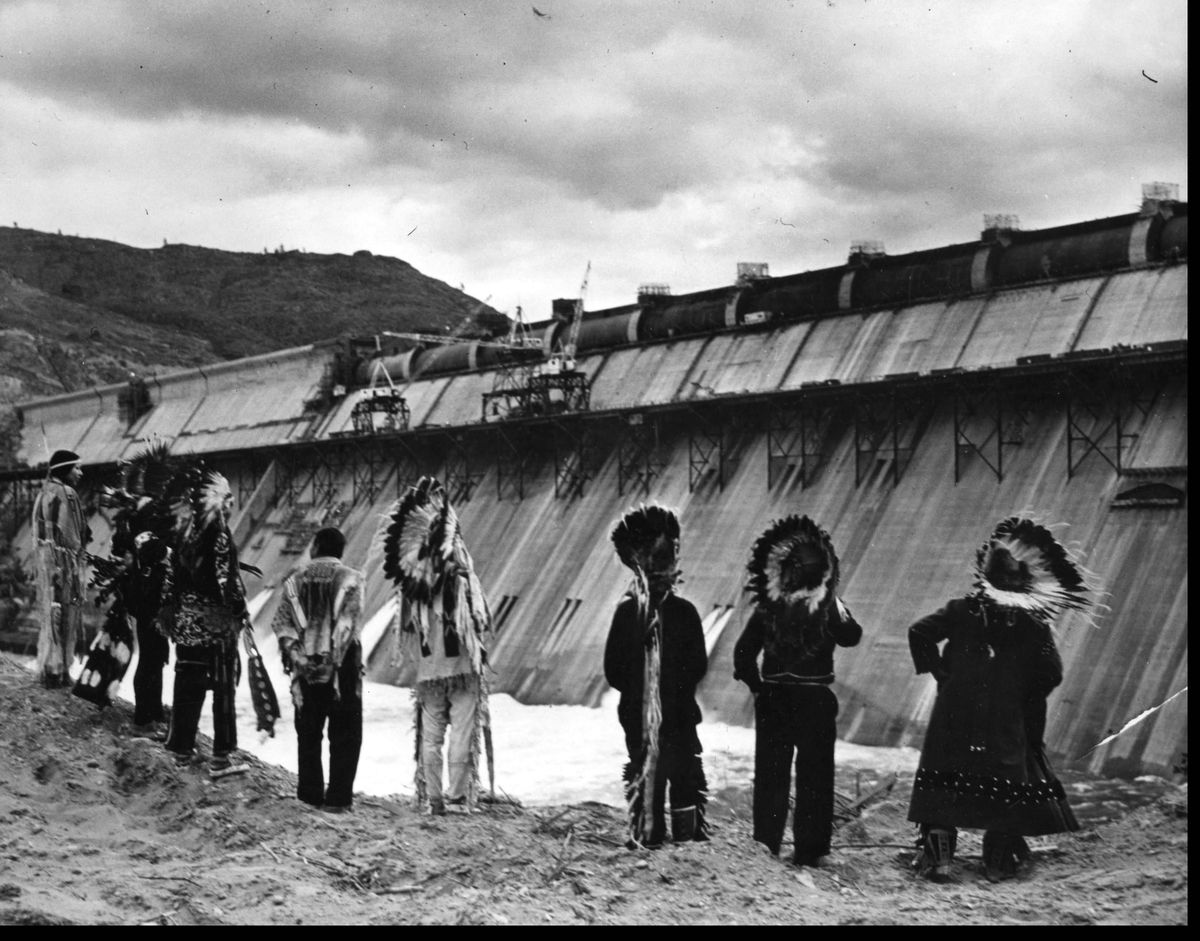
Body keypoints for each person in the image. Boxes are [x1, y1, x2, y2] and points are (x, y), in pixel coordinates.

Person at [907, 516, 1094, 882]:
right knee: (1006, 778)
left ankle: (939, 859)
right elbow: (1051, 672)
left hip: (955, 710)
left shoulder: (962, 609)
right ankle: (999, 860)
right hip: (1005, 714)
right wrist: (1025, 695)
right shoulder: (1033, 622)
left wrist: (943, 676)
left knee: (944, 774)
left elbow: (919, 633)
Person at [733, 515, 862, 868]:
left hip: (775, 698)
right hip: (816, 699)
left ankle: (767, 843)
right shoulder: (828, 607)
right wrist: (835, 600)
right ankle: (810, 849)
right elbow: (853, 636)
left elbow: (742, 655)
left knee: (771, 775)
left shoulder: (768, 608)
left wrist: (759, 689)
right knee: (816, 776)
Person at [377, 477, 493, 815]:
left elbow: (409, 630)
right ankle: (458, 799)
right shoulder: (462, 580)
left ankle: (431, 799)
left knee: (431, 737)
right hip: (462, 670)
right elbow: (480, 621)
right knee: (462, 732)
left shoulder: (411, 588)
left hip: (429, 672)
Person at [605, 504, 709, 848]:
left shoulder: (626, 612)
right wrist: (675, 690)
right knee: (685, 777)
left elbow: (613, 671)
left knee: (646, 772)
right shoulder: (686, 612)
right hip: (679, 715)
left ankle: (647, 837)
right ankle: (687, 838)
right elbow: (699, 667)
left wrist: (641, 691)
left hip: (639, 717)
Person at [161, 467, 250, 779]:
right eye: (226, 497)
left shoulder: (183, 532)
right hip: (215, 627)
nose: (232, 502)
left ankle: (180, 749)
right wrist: (240, 611)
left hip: (186, 624)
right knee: (223, 689)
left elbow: (170, 579)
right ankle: (222, 758)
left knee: (186, 686)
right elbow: (227, 581)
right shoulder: (220, 533)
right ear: (214, 502)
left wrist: (174, 612)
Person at [271, 527, 364, 812]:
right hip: (341, 667)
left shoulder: (294, 580)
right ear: (340, 551)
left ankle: (310, 796)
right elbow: (347, 625)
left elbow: (282, 624)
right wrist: (332, 660)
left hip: (305, 667)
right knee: (345, 733)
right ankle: (338, 799)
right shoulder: (351, 578)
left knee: (309, 733)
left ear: (315, 547)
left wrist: (299, 656)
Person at [31, 449, 91, 688]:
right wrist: (81, 547)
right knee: (68, 614)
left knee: (50, 613)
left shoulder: (43, 492)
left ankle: (51, 668)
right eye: (76, 467)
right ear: (65, 470)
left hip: (45, 562)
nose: (80, 472)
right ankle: (62, 669)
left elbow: (38, 532)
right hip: (65, 563)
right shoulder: (68, 493)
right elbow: (74, 533)